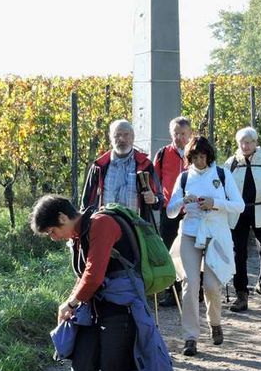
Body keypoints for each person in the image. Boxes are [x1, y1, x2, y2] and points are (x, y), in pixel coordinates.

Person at [31, 194, 173, 371]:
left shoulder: (102, 224)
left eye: (51, 231)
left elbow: (94, 275)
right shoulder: (79, 235)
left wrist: (69, 304)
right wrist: (74, 303)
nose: (53, 237)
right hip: (92, 314)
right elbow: (87, 276)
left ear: (62, 218)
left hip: (119, 314)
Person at [166, 136, 244, 355]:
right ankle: (190, 337)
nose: (200, 161)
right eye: (196, 157)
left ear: (209, 157)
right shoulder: (183, 178)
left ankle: (215, 322)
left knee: (211, 285)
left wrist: (215, 204)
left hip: (215, 236)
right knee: (190, 284)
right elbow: (170, 212)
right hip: (190, 235)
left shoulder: (222, 174)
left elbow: (239, 206)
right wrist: (184, 202)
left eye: (204, 157)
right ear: (189, 158)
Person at [225, 126, 261, 312]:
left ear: (255, 142)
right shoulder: (231, 163)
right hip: (238, 213)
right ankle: (241, 295)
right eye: (242, 142)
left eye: (249, 142)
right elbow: (222, 187)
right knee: (238, 254)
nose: (245, 145)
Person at [82, 119, 163, 220]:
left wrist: (154, 199)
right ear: (111, 138)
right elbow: (86, 203)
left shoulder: (145, 165)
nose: (122, 139)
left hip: (135, 227)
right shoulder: (99, 166)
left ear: (133, 137)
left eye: (126, 134)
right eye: (117, 135)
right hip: (104, 224)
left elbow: (160, 201)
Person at [153, 117, 193, 306]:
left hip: (193, 210)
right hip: (170, 209)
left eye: (183, 134)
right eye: (176, 133)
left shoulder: (196, 153)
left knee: (193, 249)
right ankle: (173, 292)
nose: (179, 137)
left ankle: (195, 289)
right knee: (169, 250)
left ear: (189, 134)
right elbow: (155, 181)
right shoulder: (162, 154)